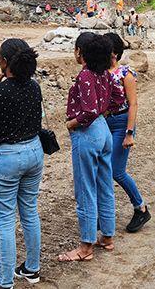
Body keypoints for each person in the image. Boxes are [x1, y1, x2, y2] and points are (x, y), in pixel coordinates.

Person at [0, 39, 43, 289]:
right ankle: (32, 269)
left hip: (6, 157)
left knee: (4, 220)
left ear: (3, 62)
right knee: (30, 212)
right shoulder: (34, 87)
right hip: (34, 152)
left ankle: (4, 283)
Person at [59, 33, 124, 262]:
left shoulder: (85, 75)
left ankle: (85, 247)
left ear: (81, 52)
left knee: (85, 188)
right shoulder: (105, 75)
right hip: (104, 131)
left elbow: (87, 112)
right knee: (104, 184)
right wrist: (103, 111)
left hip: (88, 133)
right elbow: (118, 98)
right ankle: (107, 237)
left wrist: (71, 123)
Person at [103, 33, 151, 232]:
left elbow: (133, 104)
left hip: (122, 123)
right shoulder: (100, 72)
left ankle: (140, 207)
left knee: (116, 171)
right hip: (105, 123)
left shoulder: (126, 74)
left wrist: (129, 133)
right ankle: (104, 214)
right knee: (102, 170)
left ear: (113, 52)